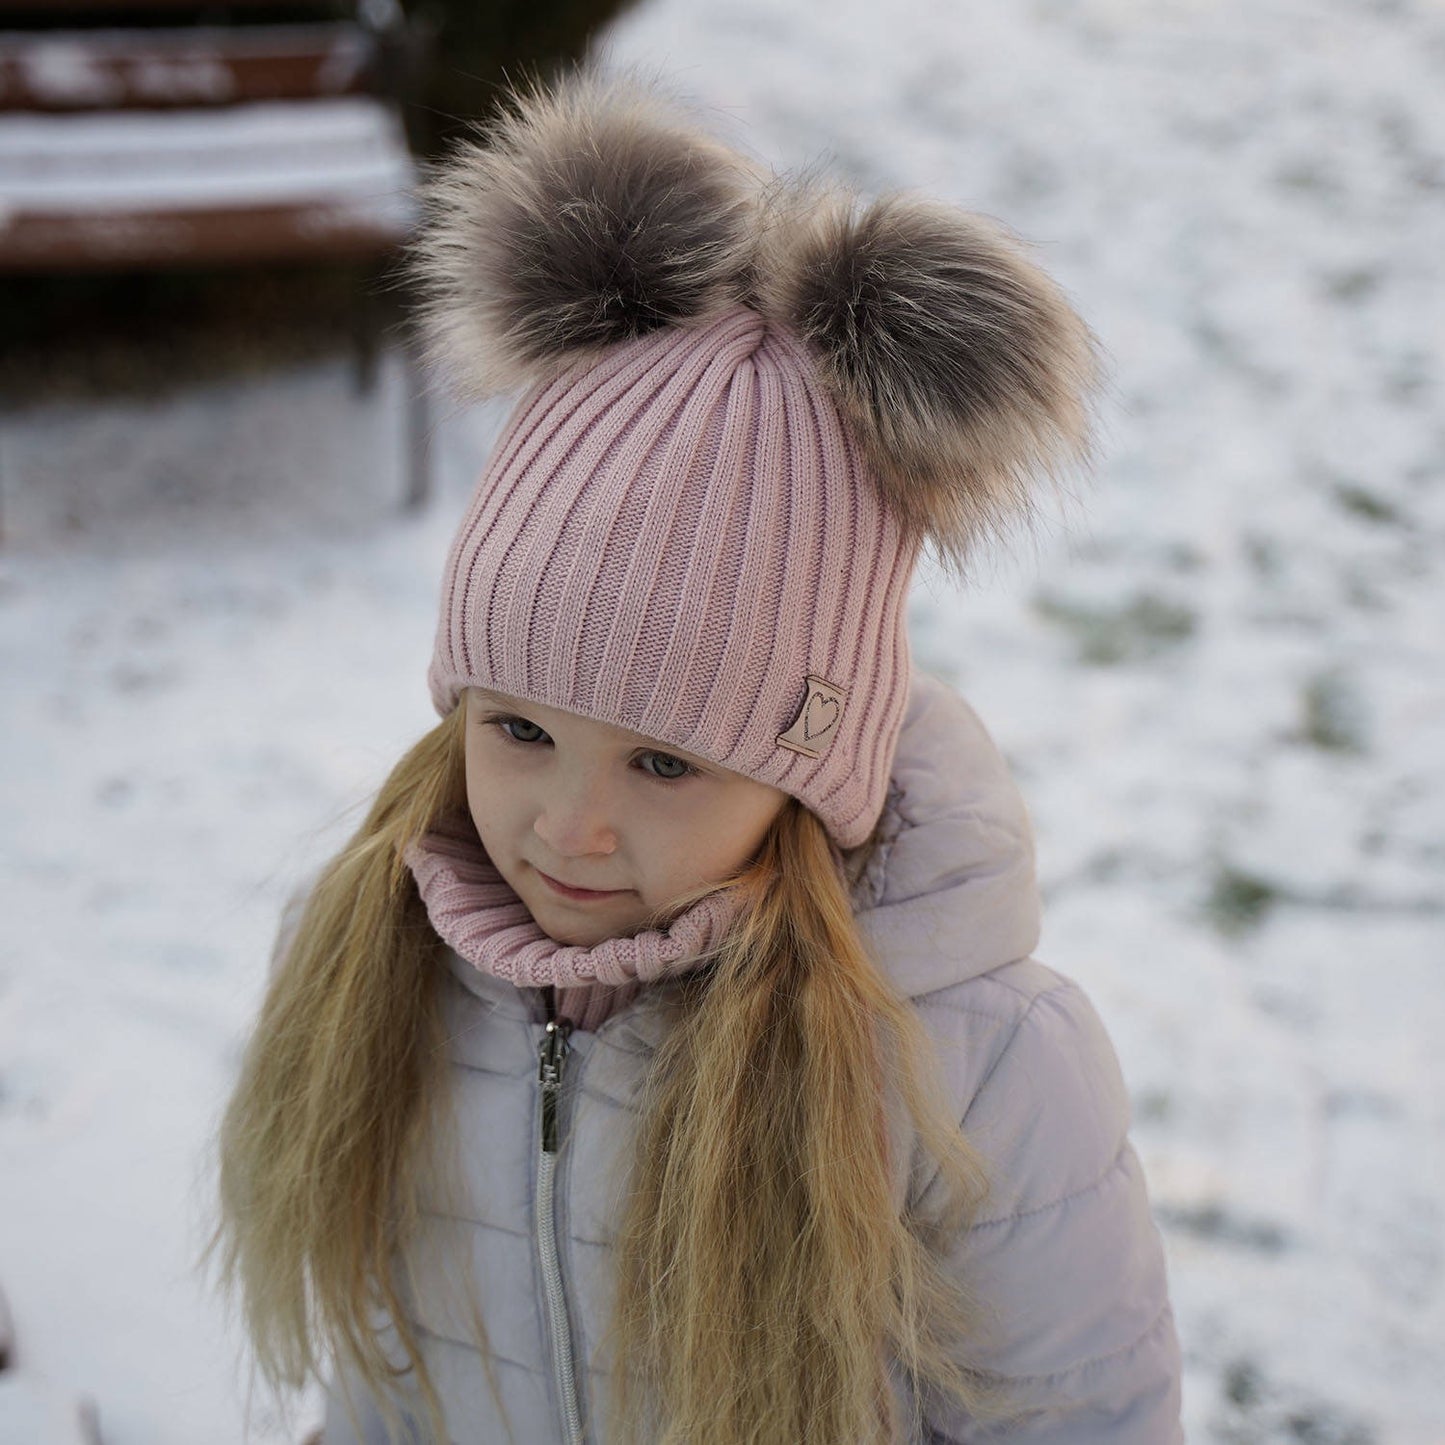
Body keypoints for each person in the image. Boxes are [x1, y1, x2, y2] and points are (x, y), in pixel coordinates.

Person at [211, 69, 1183, 1445]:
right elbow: (391, 1381)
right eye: (521, 731)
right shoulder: (374, 968)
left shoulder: (968, 1067)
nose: (569, 827)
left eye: (664, 765)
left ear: (808, 770)